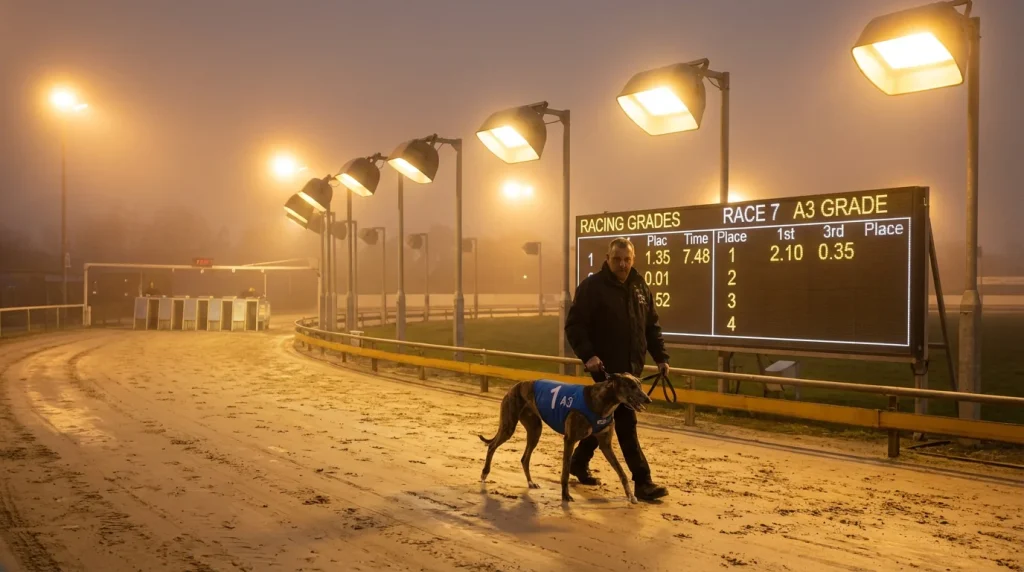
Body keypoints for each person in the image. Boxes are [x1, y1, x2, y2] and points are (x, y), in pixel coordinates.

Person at [564, 237, 670, 501]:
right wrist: (588, 356)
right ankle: (642, 481)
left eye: (627, 259)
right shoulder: (592, 287)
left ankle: (578, 461)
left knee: (601, 418)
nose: (622, 264)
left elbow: (651, 326)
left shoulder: (640, 286)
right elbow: (575, 325)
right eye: (617, 259)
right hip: (607, 371)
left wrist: (661, 357)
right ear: (607, 259)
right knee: (625, 422)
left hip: (632, 370)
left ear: (632, 259)